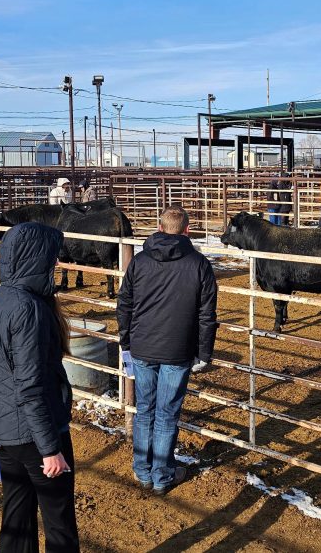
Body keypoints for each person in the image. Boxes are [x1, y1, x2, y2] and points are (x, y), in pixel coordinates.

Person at [0, 222, 79, 552]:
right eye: (52, 258)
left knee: (16, 516)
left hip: (4, 430)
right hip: (36, 434)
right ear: (36, 260)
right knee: (58, 521)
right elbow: (31, 385)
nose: (57, 264)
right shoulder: (29, 310)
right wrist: (50, 448)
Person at [117, 206, 218, 496]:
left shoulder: (139, 261)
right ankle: (162, 475)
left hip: (143, 346)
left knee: (145, 409)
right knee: (166, 413)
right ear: (187, 230)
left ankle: (142, 470)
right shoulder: (199, 264)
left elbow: (124, 304)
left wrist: (127, 341)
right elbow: (207, 314)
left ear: (160, 228)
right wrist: (203, 352)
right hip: (178, 349)